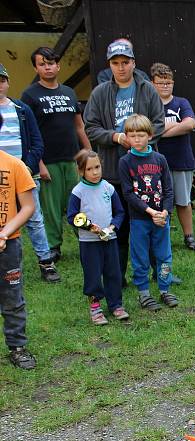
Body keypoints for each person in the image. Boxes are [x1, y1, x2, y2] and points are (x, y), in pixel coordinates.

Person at [83, 39, 164, 284]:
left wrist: (141, 141)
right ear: (110, 65)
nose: (121, 67)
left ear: (133, 63)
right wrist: (116, 137)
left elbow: (159, 123)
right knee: (118, 225)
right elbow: (91, 128)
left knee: (150, 222)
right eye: (116, 63)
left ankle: (159, 271)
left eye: (125, 62)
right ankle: (117, 275)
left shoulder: (148, 89)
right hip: (113, 170)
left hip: (144, 170)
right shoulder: (99, 93)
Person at [22, 47, 91, 262]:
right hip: (48, 160)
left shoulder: (69, 93)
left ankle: (85, 239)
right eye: (42, 64)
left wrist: (88, 153)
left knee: (78, 202)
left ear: (58, 65)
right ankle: (54, 246)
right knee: (51, 208)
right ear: (36, 67)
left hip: (72, 159)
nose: (47, 67)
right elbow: (30, 133)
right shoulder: (30, 95)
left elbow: (79, 126)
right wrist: (39, 164)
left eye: (51, 63)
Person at [0, 63, 60, 283]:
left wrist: (27, 166)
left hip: (24, 172)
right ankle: (8, 264)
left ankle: (46, 262)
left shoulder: (21, 109)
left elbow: (37, 142)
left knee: (34, 219)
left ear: (7, 82)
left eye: (2, 80)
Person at [117, 114, 177, 311]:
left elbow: (168, 188)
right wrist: (150, 211)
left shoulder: (160, 159)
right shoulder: (125, 162)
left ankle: (165, 289)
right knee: (140, 257)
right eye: (132, 135)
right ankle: (144, 294)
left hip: (162, 219)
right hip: (140, 220)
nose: (137, 139)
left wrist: (166, 212)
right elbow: (127, 193)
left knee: (164, 255)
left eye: (141, 135)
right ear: (127, 137)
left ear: (150, 136)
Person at [67, 149, 128, 325]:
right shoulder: (78, 192)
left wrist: (111, 227)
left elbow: (119, 212)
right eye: (89, 169)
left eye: (97, 167)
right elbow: (72, 217)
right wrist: (89, 227)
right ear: (81, 171)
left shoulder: (108, 188)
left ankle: (116, 305)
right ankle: (95, 308)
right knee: (93, 274)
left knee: (113, 272)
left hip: (110, 239)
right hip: (89, 242)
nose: (95, 172)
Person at [150, 62, 195, 251]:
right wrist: (177, 126)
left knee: (183, 201)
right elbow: (145, 129)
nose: (165, 86)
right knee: (159, 201)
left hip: (182, 160)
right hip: (155, 162)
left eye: (169, 83)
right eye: (161, 83)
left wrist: (159, 131)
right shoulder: (149, 105)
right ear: (152, 83)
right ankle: (161, 238)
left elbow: (190, 124)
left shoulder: (181, 102)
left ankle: (189, 236)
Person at [0, 150, 37, 369]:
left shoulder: (14, 165)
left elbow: (28, 206)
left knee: (12, 297)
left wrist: (4, 234)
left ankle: (17, 347)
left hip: (9, 244)